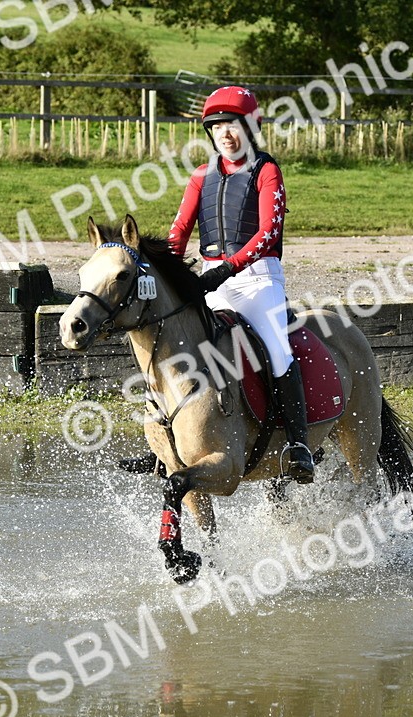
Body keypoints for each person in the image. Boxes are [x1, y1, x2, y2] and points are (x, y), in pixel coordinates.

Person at [167, 85, 314, 484]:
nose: (225, 134)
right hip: (212, 278)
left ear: (250, 128)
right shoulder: (201, 176)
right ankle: (171, 442)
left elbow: (269, 231)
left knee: (277, 348)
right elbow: (179, 232)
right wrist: (164, 267)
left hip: (256, 279)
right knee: (177, 341)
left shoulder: (266, 171)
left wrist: (229, 266)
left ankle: (298, 445)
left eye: (232, 125)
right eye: (217, 127)